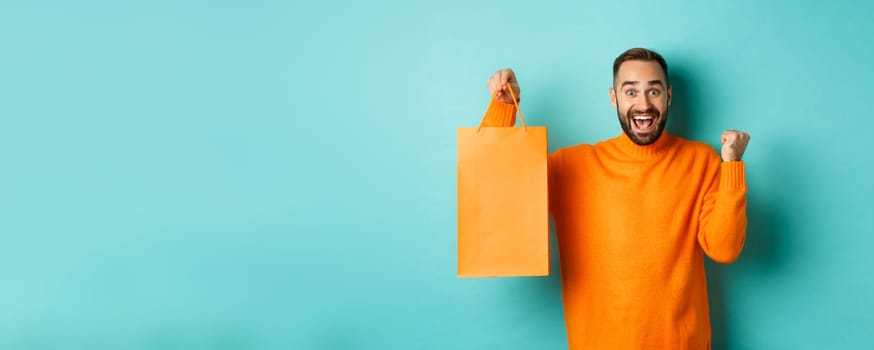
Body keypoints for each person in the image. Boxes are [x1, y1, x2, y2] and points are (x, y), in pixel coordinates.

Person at [482, 48, 750, 349]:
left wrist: (732, 166)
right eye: (631, 91)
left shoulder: (701, 160)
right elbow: (501, 193)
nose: (644, 104)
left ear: (669, 96)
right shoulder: (572, 166)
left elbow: (725, 249)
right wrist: (503, 109)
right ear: (614, 98)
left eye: (654, 91)